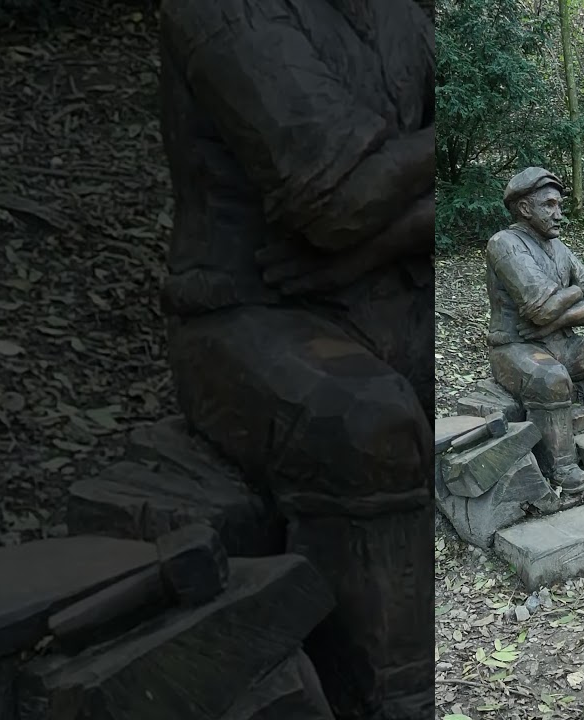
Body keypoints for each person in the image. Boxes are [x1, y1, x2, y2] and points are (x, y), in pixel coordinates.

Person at [157, 0, 433, 716]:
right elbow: (333, 196)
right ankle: (391, 694)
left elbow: (468, 174)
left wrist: (377, 244)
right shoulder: (221, 12)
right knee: (364, 419)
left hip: (388, 288)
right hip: (249, 312)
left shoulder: (402, 15)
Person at [486, 168, 584, 495]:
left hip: (561, 343)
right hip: (515, 349)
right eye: (550, 205)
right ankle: (561, 465)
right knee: (550, 378)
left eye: (560, 205)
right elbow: (538, 307)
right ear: (525, 209)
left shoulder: (560, 248)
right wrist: (573, 292)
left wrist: (559, 312)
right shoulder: (505, 244)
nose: (559, 214)